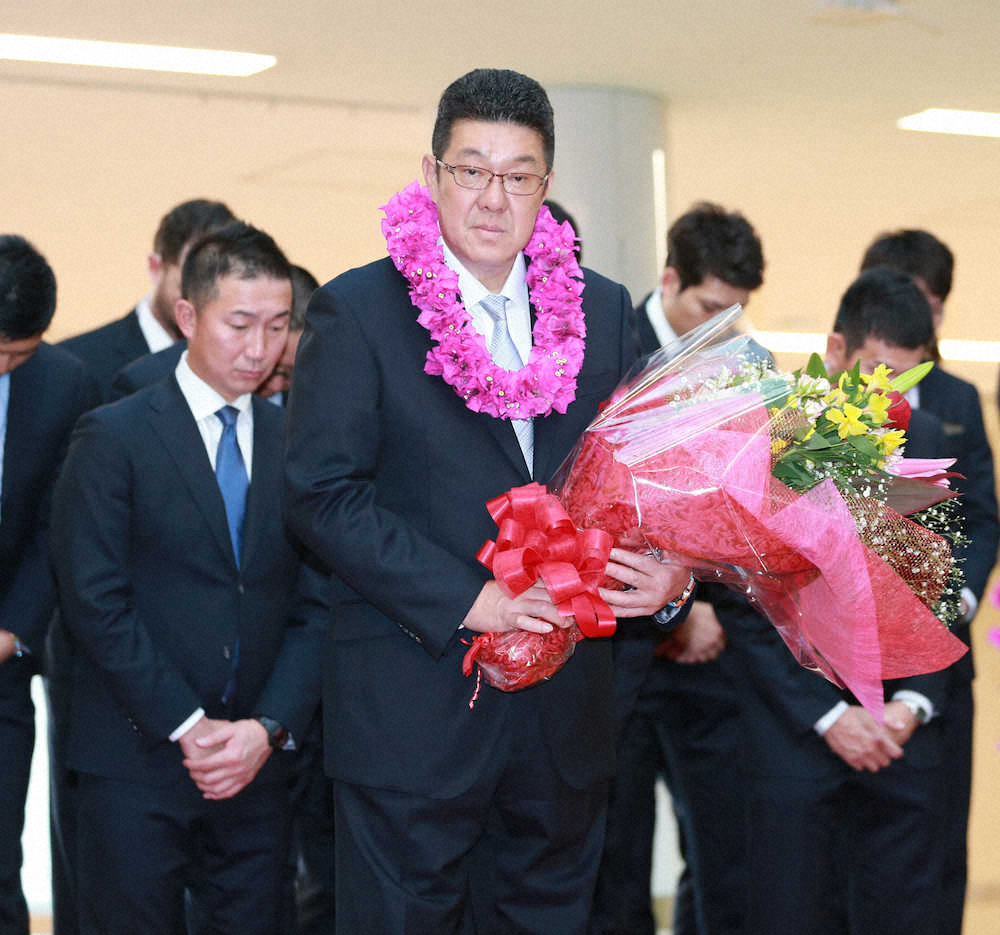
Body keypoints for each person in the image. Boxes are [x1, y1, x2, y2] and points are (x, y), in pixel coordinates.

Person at [284, 68, 693, 935]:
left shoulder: (606, 310)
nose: (492, 197)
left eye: (518, 175)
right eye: (471, 169)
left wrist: (675, 574)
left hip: (563, 720)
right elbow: (322, 496)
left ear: (546, 187)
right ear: (430, 173)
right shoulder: (356, 311)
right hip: (414, 714)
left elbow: (642, 484)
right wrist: (475, 601)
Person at [51, 222, 328, 935]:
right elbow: (94, 600)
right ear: (187, 316)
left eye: (275, 326)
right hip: (135, 758)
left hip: (253, 765)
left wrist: (264, 729)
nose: (259, 348)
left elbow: (315, 603)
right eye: (239, 324)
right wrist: (189, 724)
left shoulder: (292, 442)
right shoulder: (113, 436)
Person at [721, 268, 957, 935]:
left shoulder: (931, 436)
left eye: (910, 378)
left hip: (900, 741)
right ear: (836, 350)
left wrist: (910, 705)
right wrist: (829, 715)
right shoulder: (773, 431)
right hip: (794, 737)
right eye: (880, 374)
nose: (893, 398)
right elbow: (747, 597)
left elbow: (936, 582)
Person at [592, 202, 764, 935]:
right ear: (669, 279)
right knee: (617, 852)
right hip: (618, 649)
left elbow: (759, 518)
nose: (725, 324)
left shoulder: (750, 368)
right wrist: (669, 601)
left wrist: (702, 598)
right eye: (711, 305)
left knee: (724, 848)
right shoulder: (605, 342)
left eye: (739, 310)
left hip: (711, 656)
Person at [859, 231, 999, 934]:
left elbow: (978, 519)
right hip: (842, 671)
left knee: (936, 847)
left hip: (940, 664)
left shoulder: (957, 399)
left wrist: (957, 601)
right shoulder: (826, 401)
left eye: (930, 308)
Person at [0, 236, 94, 935]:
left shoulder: (65, 384)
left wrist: (11, 630)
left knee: (1, 859)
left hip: (1, 662)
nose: (2, 366)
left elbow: (52, 527)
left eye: (16, 354)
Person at [59, 199, 235, 402]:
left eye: (220, 293)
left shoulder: (247, 365)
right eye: (190, 288)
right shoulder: (78, 366)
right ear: (156, 268)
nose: (204, 304)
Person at [111, 262, 317, 404]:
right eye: (276, 371)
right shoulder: (147, 383)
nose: (277, 385)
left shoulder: (320, 394)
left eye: (292, 375)